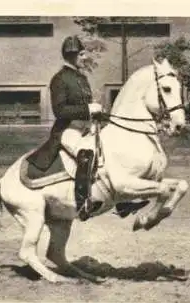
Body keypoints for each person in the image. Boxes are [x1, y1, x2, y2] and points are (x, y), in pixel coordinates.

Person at [27, 35, 148, 220]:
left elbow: (87, 108)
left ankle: (123, 201)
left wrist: (98, 112)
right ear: (72, 55)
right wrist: (87, 109)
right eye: (82, 54)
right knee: (86, 154)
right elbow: (60, 111)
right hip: (68, 130)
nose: (85, 58)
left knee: (110, 152)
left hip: (87, 127)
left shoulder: (80, 78)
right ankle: (84, 202)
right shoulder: (59, 79)